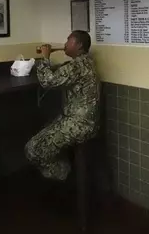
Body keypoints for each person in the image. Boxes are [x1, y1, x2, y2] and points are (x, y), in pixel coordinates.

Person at [25, 30, 100, 181]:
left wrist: (45, 57)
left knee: (33, 149)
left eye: (68, 40)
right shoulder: (86, 62)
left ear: (78, 45)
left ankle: (65, 175)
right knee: (45, 129)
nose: (65, 44)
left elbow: (48, 81)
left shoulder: (77, 66)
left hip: (79, 124)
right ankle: (66, 173)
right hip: (86, 122)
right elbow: (64, 73)